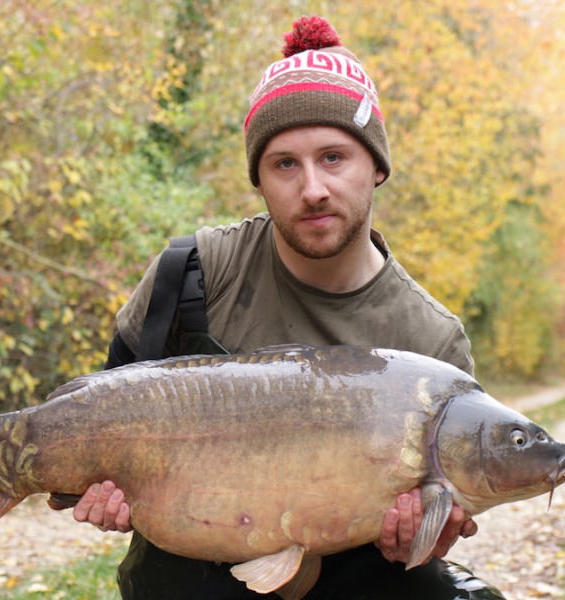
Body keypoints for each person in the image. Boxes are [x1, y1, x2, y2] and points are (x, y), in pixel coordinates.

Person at [67, 15, 502, 600]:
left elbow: (438, 511)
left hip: (353, 575)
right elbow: (106, 406)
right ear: (259, 179)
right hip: (194, 569)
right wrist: (103, 485)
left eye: (333, 157)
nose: (313, 188)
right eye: (285, 164)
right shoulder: (193, 271)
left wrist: (421, 535)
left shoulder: (431, 337)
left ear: (376, 166)